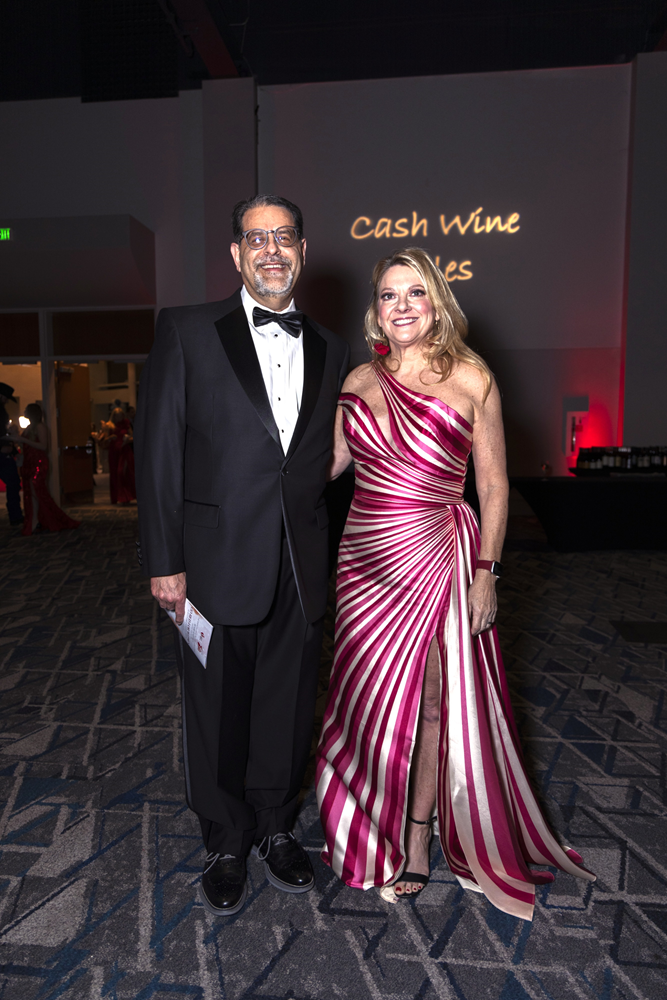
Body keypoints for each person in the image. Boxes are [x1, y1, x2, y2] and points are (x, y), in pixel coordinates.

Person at [316, 248, 594, 921]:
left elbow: (494, 485)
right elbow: (324, 468)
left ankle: (415, 833)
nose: (401, 305)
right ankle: (362, 820)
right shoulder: (355, 379)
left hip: (439, 554)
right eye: (388, 295)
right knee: (365, 699)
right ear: (374, 309)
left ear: (437, 301)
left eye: (415, 292)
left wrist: (485, 572)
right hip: (363, 563)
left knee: (433, 704)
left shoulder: (471, 375)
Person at [135, 194, 349, 917]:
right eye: (255, 239)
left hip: (300, 562)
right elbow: (159, 450)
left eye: (283, 236)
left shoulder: (330, 345)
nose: (270, 251)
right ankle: (225, 838)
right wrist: (163, 559)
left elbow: (321, 461)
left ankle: (275, 827)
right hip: (212, 561)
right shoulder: (188, 330)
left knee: (286, 711)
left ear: (302, 249)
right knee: (216, 708)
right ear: (235, 254)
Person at [19, 403, 80, 536]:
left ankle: (51, 519)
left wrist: (21, 439)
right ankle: (35, 520)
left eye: (26, 410)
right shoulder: (29, 427)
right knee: (32, 493)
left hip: (38, 462)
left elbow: (43, 446)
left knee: (39, 491)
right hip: (29, 462)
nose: (24, 412)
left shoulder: (40, 427)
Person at [0, 381, 24, 526]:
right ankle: (15, 515)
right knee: (13, 483)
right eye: (5, 397)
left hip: (4, 452)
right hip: (3, 454)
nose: (7, 400)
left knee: (13, 483)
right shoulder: (1, 412)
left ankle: (15, 515)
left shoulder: (2, 412)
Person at [105, 407, 136, 504]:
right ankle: (116, 497)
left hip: (124, 451)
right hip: (114, 451)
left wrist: (127, 440)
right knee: (115, 473)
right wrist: (110, 438)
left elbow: (133, 436)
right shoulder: (109, 425)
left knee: (123, 472)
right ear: (113, 416)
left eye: (120, 415)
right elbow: (104, 440)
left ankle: (126, 496)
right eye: (117, 416)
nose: (119, 418)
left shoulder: (126, 424)